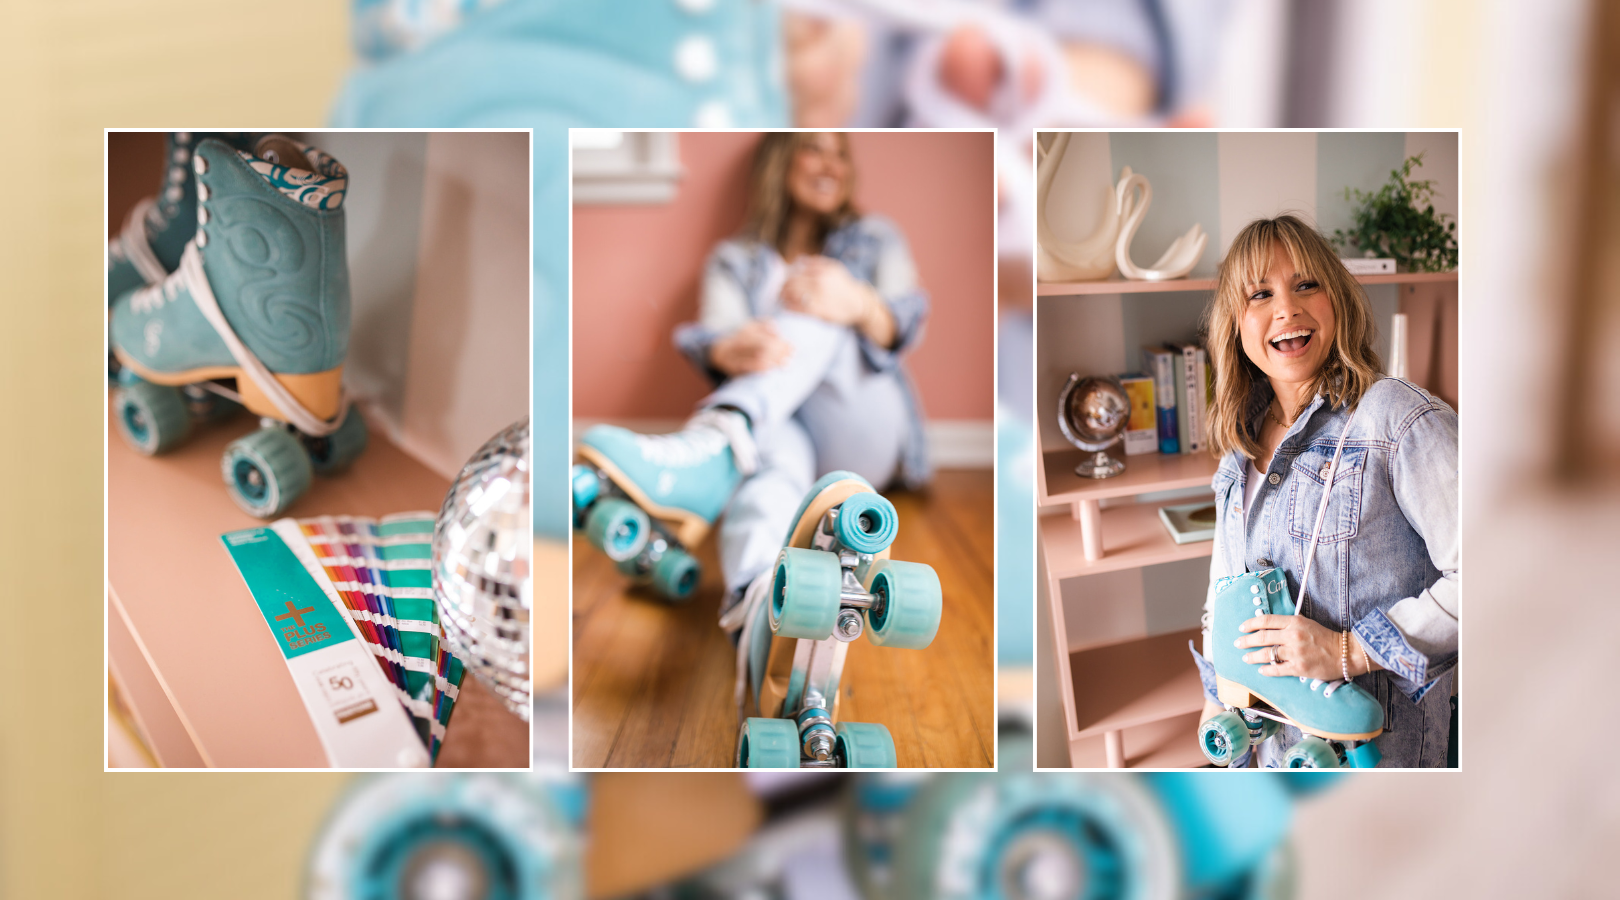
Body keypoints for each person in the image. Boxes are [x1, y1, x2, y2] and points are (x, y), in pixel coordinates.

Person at [579, 132, 930, 616]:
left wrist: (857, 302)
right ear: (780, 160)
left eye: (841, 154)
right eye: (815, 149)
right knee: (768, 457)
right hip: (780, 434)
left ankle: (719, 441)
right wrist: (730, 348)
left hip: (862, 429)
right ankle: (758, 599)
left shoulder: (877, 237)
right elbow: (713, 339)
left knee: (818, 295)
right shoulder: (733, 259)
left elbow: (904, 320)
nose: (832, 165)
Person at [1193, 215, 1458, 767]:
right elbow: (1222, 595)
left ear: (1337, 300)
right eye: (1260, 293)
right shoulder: (1238, 445)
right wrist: (1214, 699)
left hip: (1380, 752)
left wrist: (1351, 651)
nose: (1287, 308)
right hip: (1270, 749)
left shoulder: (1398, 419)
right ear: (1236, 326)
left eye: (1306, 284)